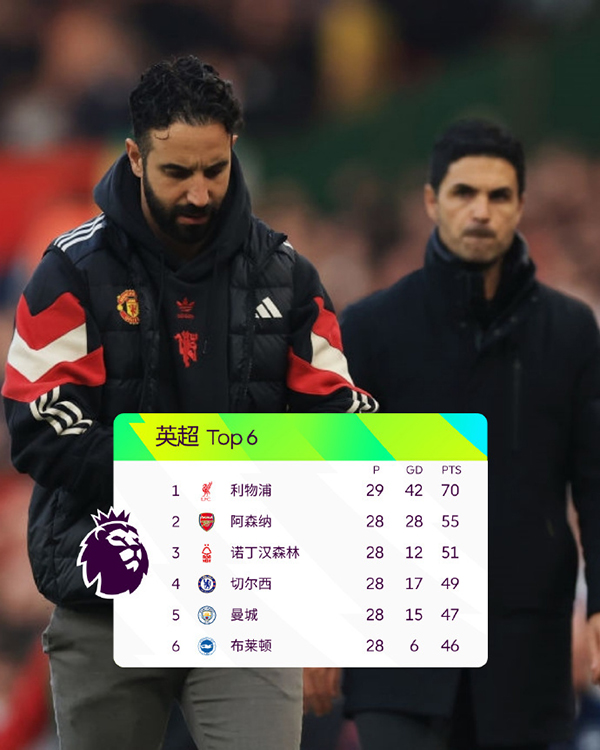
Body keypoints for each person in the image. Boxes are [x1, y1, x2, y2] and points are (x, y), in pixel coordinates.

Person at [1, 56, 377, 750]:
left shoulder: (288, 276)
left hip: (248, 594)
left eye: (215, 170)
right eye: (177, 173)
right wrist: (183, 468)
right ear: (135, 156)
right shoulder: (70, 270)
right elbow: (40, 425)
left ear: (233, 150)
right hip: (108, 592)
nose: (199, 193)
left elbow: (338, 415)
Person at [304, 119, 600, 749]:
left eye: (498, 195)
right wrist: (319, 628)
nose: (481, 211)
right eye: (464, 192)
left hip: (524, 647)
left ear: (521, 204)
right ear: (431, 201)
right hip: (398, 641)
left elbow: (595, 480)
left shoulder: (572, 332)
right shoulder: (373, 328)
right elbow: (334, 484)